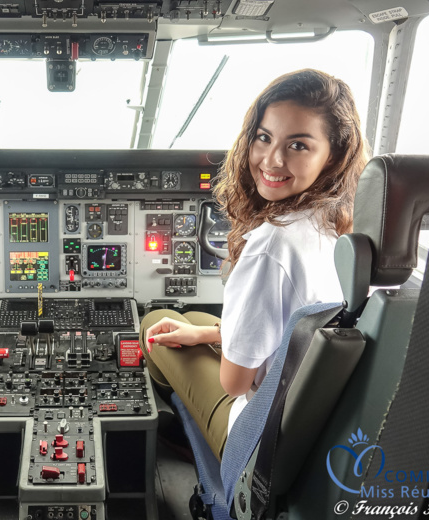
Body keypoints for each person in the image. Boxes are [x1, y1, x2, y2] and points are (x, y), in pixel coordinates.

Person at [139, 69, 369, 460]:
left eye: (298, 145)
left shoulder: (271, 248)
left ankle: (190, 434)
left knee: (153, 322)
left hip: (259, 436)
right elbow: (287, 332)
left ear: (334, 155)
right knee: (193, 322)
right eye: (264, 137)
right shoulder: (340, 224)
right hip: (312, 415)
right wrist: (207, 335)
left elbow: (234, 382)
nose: (272, 160)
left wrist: (219, 340)